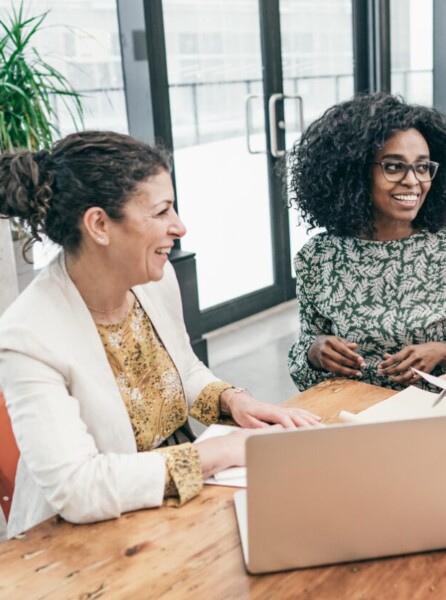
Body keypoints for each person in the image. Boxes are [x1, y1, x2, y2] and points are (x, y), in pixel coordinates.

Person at [0, 131, 321, 538]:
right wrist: (218, 451)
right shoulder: (28, 337)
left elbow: (182, 369)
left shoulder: (153, 278)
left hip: (176, 502)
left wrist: (234, 402)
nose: (180, 227)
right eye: (161, 212)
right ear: (99, 224)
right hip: (81, 535)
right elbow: (79, 488)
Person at [286, 92, 446, 391]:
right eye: (394, 166)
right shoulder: (319, 256)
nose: (413, 181)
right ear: (355, 172)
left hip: (431, 416)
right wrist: (315, 351)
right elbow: (305, 353)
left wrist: (445, 353)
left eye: (422, 167)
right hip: (349, 414)